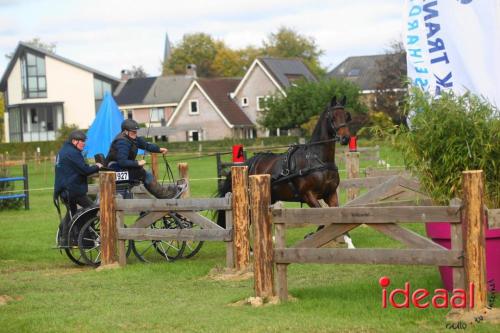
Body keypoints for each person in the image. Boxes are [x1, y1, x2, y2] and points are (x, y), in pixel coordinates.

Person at [105, 119, 182, 198]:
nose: (135, 134)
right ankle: (165, 195)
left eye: (136, 131)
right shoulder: (122, 142)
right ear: (125, 131)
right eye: (133, 132)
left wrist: (158, 149)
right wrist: (137, 163)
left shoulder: (132, 138)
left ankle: (164, 193)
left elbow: (146, 145)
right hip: (114, 172)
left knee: (143, 171)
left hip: (121, 168)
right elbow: (122, 162)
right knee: (143, 173)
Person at [54, 130, 102, 245]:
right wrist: (97, 166)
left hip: (64, 190)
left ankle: (65, 238)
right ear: (74, 141)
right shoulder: (73, 153)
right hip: (72, 190)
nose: (84, 144)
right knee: (92, 209)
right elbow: (84, 170)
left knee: (72, 212)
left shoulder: (63, 151)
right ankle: (84, 237)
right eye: (82, 141)